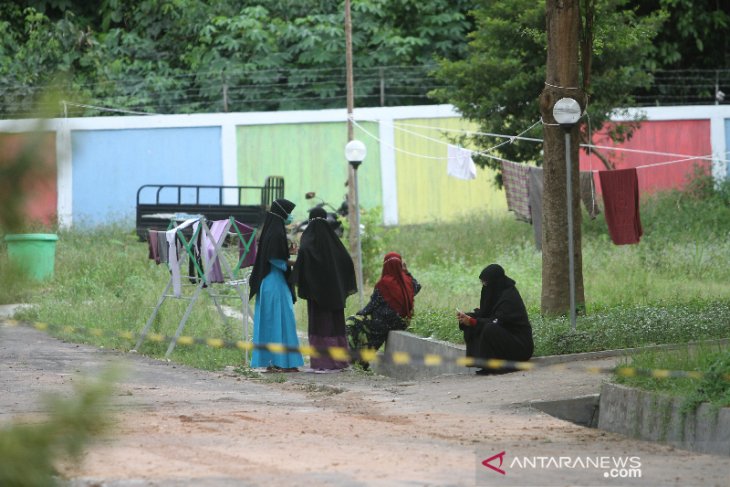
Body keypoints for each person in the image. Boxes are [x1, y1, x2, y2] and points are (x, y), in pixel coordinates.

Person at [290, 207, 357, 373]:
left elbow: (303, 261)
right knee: (335, 326)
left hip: (317, 297)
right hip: (334, 296)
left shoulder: (308, 239)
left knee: (320, 326)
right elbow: (346, 262)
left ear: (310, 219)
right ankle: (340, 362)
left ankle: (323, 363)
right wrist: (340, 286)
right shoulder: (334, 241)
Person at [248, 198, 303, 372]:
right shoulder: (277, 233)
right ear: (282, 214)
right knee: (283, 322)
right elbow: (276, 259)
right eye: (288, 213)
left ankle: (273, 361)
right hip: (275, 283)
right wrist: (296, 262)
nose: (290, 217)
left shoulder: (271, 230)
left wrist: (289, 252)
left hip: (269, 283)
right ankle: (282, 362)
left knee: (271, 323)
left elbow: (274, 252)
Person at [347, 252, 421, 369]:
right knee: (370, 332)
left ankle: (356, 359)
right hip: (402, 323)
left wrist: (360, 313)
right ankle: (363, 362)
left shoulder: (384, 284)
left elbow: (372, 305)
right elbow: (417, 286)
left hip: (381, 322)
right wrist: (407, 272)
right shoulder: (408, 282)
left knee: (352, 322)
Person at [456, 264, 534, 375]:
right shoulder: (495, 294)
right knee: (472, 323)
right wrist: (467, 318)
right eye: (482, 283)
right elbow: (485, 313)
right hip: (504, 336)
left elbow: (497, 321)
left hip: (519, 345)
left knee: (489, 328)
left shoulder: (509, 298)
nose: (484, 286)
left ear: (495, 282)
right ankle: (485, 365)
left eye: (486, 283)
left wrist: (473, 322)